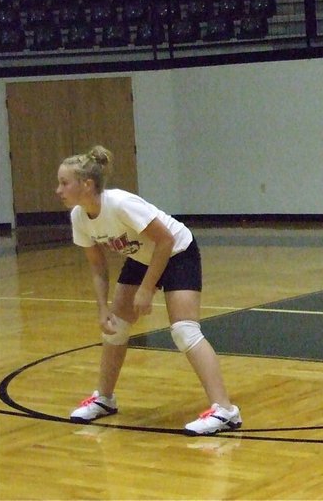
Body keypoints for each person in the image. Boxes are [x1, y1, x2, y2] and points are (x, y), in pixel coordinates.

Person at [56, 145, 241, 436]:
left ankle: (225, 411)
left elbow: (165, 241)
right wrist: (103, 307)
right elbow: (97, 267)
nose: (58, 190)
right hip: (143, 257)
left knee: (184, 331)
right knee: (115, 328)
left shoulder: (120, 204)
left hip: (178, 251)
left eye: (64, 183)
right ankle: (104, 398)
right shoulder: (79, 217)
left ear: (87, 184)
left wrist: (145, 289)